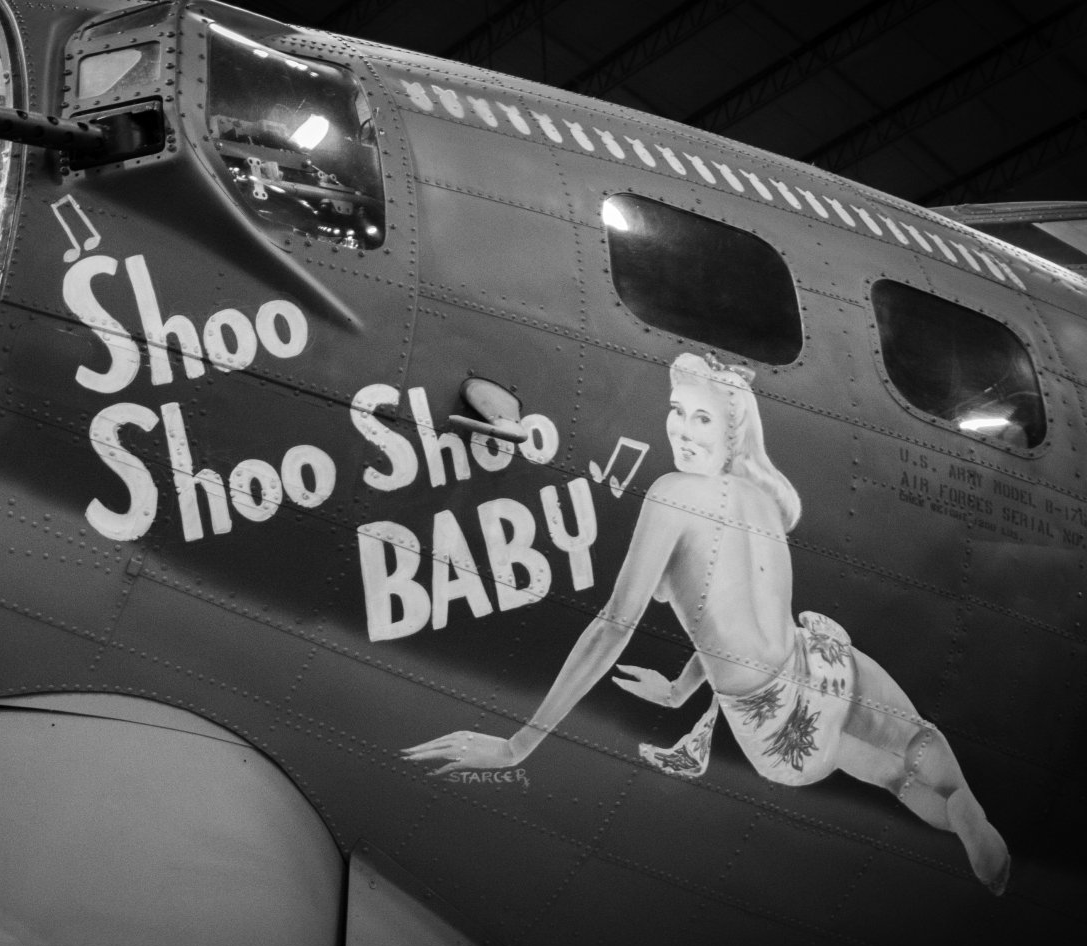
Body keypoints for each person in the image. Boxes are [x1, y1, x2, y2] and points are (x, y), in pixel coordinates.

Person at [402, 352, 1011, 894]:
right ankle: (970, 822)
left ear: (729, 434)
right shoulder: (762, 499)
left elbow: (614, 627)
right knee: (918, 745)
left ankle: (966, 824)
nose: (682, 431)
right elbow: (722, 614)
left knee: (893, 781)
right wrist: (676, 689)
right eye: (677, 411)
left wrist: (518, 743)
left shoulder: (671, 495)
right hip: (819, 663)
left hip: (772, 726)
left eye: (700, 419)